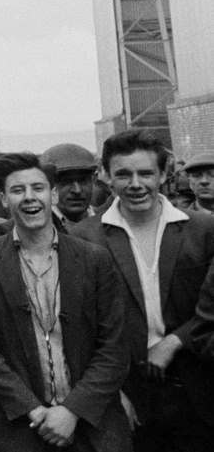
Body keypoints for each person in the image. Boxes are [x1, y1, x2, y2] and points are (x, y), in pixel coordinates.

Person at [0, 153, 131, 452]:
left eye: (38, 188)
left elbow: (115, 346)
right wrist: (34, 410)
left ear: (52, 193)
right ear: (2, 197)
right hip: (23, 427)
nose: (30, 198)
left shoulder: (94, 259)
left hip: (94, 424)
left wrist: (72, 411)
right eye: (17, 190)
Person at [73, 128, 214, 452]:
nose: (135, 184)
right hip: (127, 392)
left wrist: (176, 341)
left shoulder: (203, 230)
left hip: (199, 388)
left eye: (146, 173)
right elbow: (81, 327)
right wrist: (111, 395)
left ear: (163, 174)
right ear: (106, 177)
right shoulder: (83, 239)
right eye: (123, 174)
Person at [41, 142, 99, 227]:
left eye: (83, 181)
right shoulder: (37, 228)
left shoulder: (108, 221)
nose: (77, 190)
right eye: (66, 182)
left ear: (94, 180)